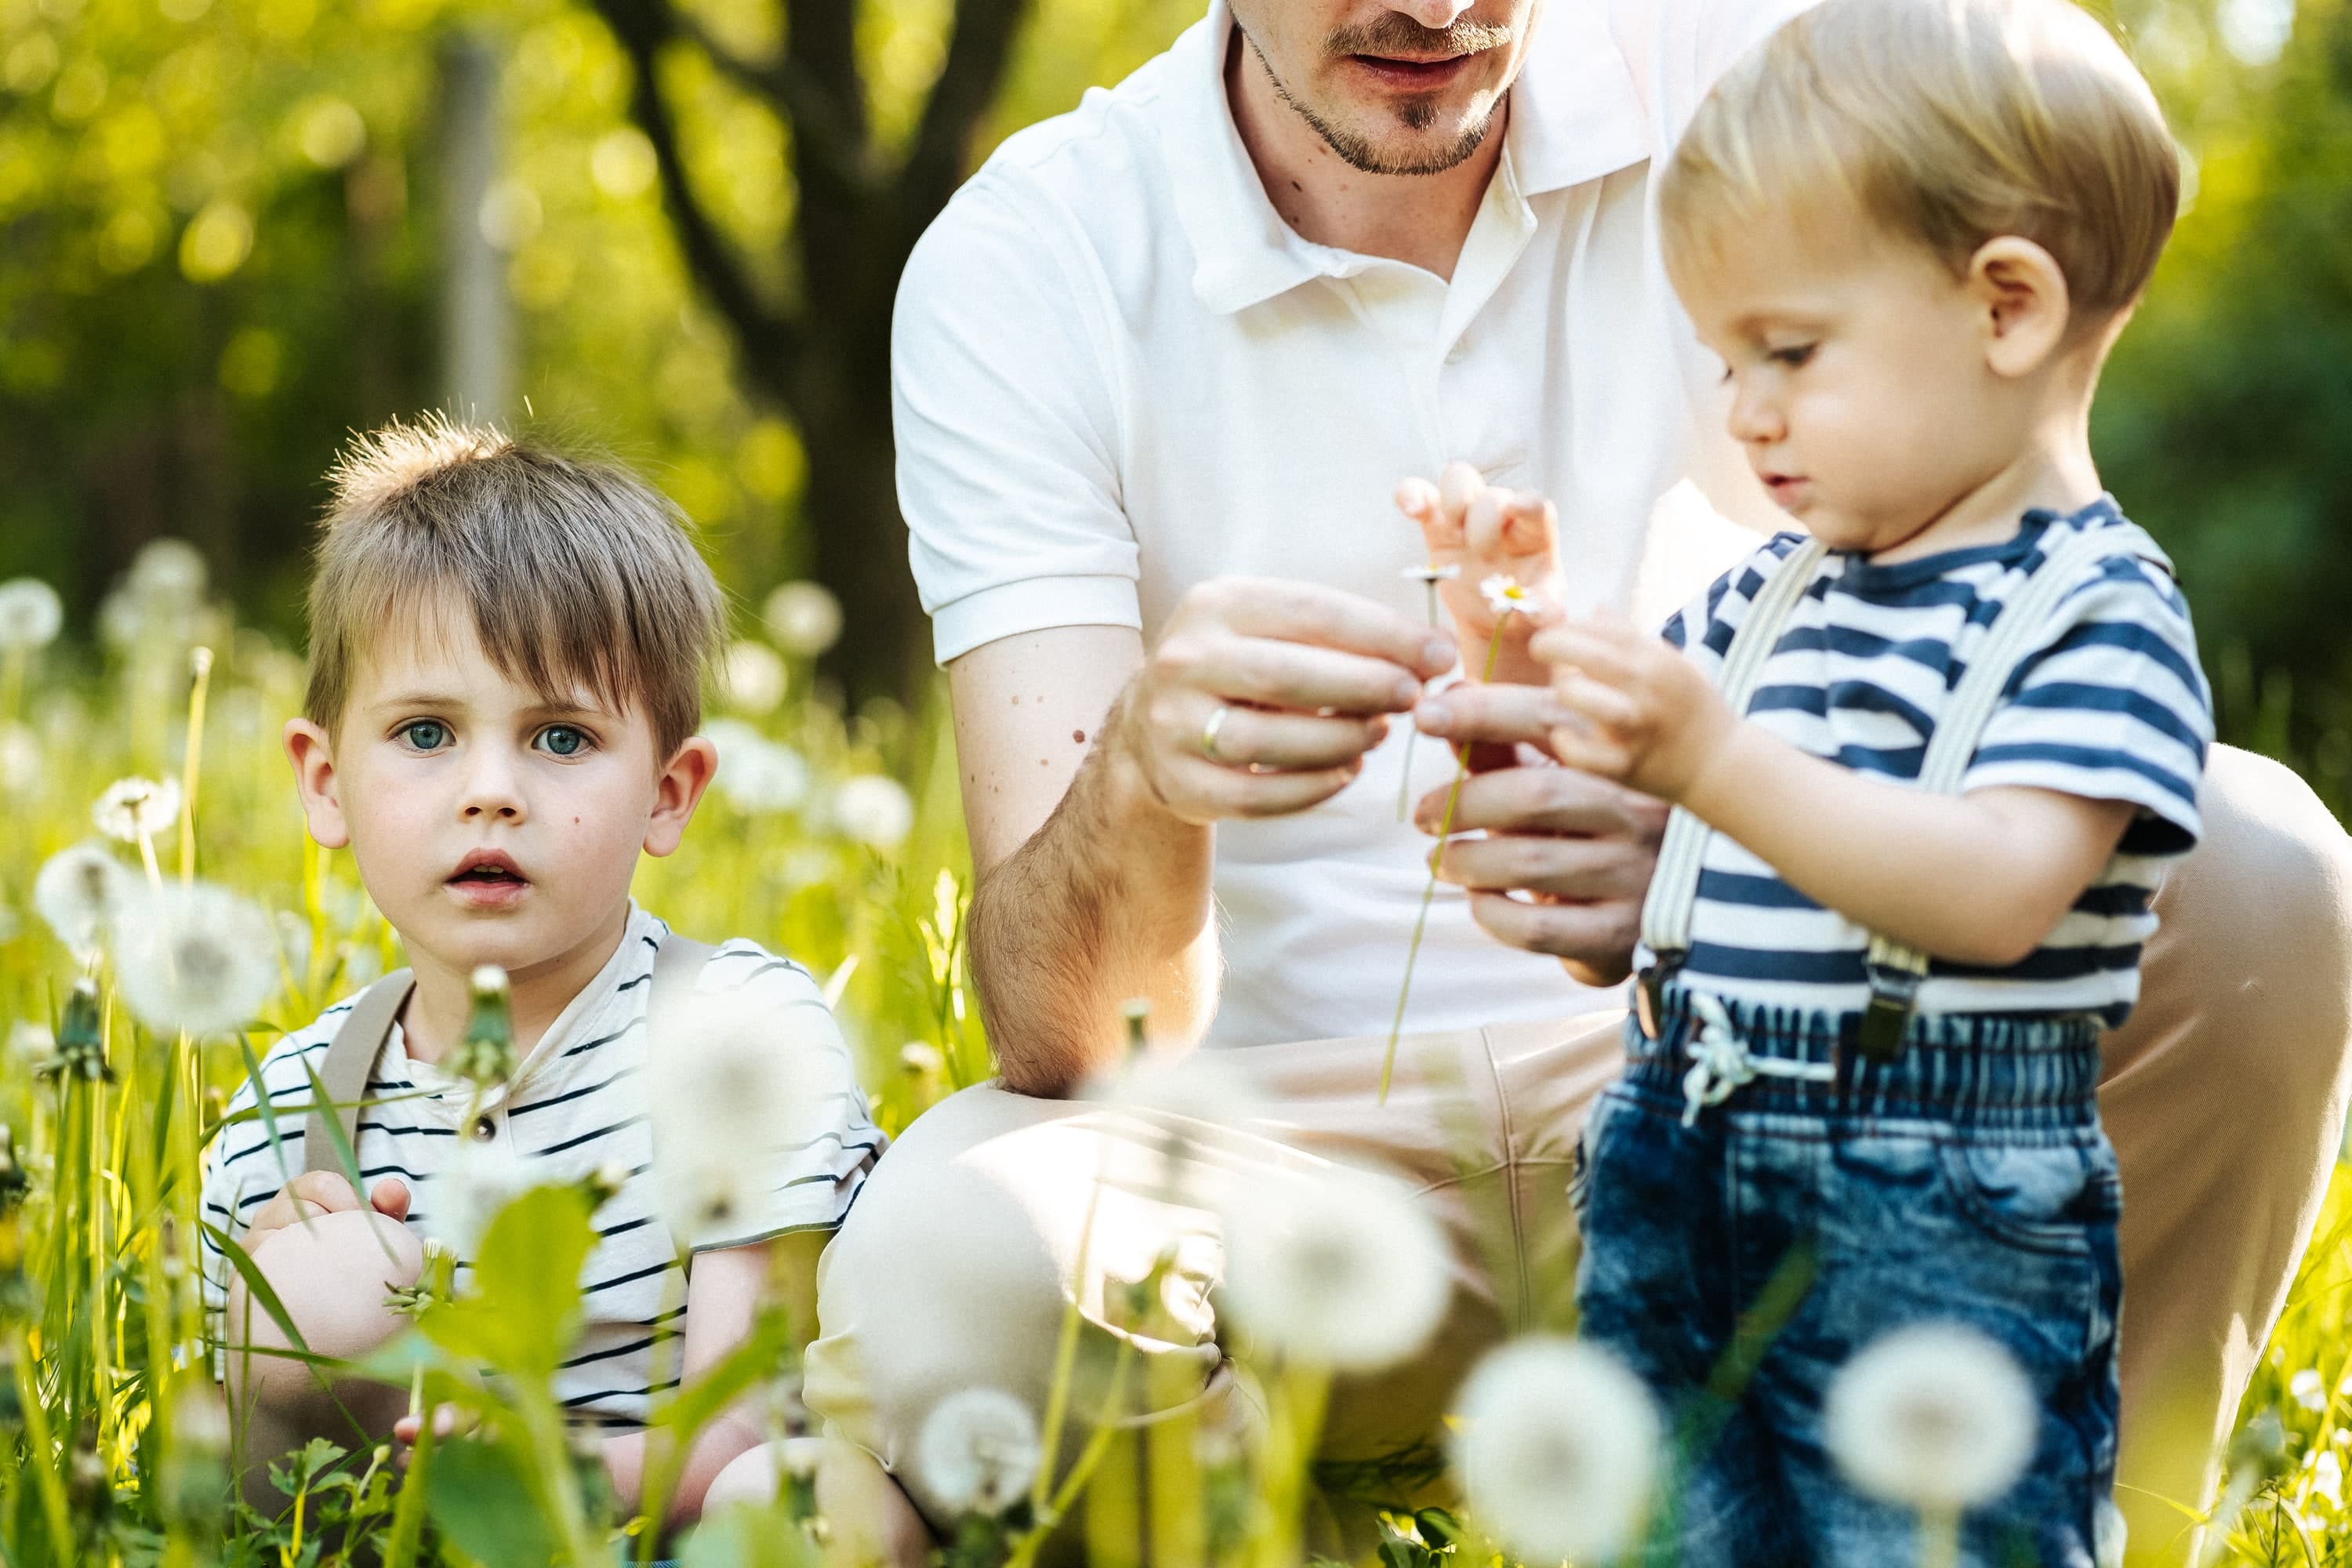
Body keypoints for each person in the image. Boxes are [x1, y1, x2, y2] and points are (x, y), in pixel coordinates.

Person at [805, 0, 2352, 1558]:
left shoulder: (1771, 79)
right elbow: (1066, 1038)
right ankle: (1262, 1520)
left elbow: (2058, 218)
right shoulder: (1035, 256)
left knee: (2257, 870)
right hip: (1274, 1170)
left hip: (1756, 1079)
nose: (1432, 7)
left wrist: (1706, 859)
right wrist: (1147, 778)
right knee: (953, 1249)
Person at [1508, 0, 2202, 1555]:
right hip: (1679, 1148)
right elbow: (1659, 830)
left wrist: (1715, 756)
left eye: (1789, 351)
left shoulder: (2090, 605)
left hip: (1934, 1207)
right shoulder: (1771, 592)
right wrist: (1530, 677)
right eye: (1724, 356)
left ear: (2005, 308)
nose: (1742, 408)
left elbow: (2004, 887)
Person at [196, 417, 888, 1532]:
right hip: (405, 1531)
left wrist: (540, 1466)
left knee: (804, 1503)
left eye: (560, 739)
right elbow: (227, 1474)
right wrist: (270, 1342)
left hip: (680, 1530)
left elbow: (749, 1422)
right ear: (324, 783)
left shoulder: (740, 1037)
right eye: (425, 733)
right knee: (316, 1279)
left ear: (669, 793)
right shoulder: (289, 1107)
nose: (491, 791)